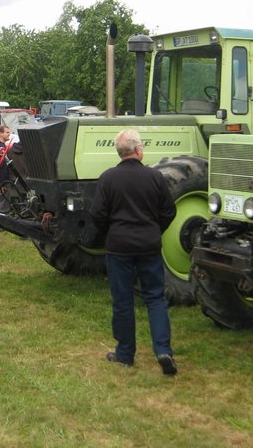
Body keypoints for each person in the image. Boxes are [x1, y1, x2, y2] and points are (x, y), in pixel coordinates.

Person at [89, 129, 178, 376]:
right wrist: (155, 230)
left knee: (123, 301)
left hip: (119, 248)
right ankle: (163, 350)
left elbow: (97, 214)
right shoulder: (155, 177)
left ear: (120, 153)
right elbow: (169, 211)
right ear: (138, 150)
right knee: (155, 298)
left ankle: (125, 354)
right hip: (149, 246)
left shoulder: (108, 178)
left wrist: (111, 233)